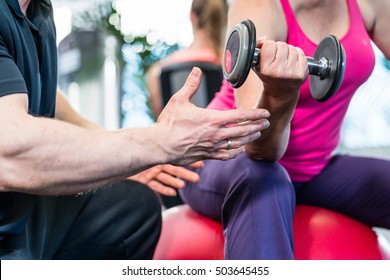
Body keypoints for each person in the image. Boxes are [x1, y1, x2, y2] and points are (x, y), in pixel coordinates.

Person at [0, 0, 271, 259]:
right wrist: (156, 143)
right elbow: (9, 152)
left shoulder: (39, 12)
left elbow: (32, 91)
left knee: (134, 207)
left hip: (26, 213)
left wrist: (124, 156)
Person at [180, 0, 390, 259]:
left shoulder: (370, 4)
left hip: (313, 169)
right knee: (264, 182)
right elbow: (257, 147)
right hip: (224, 157)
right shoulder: (261, 6)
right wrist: (280, 95)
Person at [146, 0, 228, 119]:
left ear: (192, 16)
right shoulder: (230, 64)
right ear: (225, 20)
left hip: (177, 137)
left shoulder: (158, 71)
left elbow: (161, 118)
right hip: (223, 135)